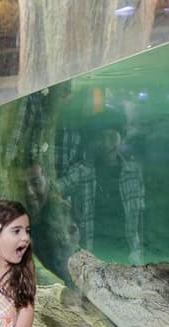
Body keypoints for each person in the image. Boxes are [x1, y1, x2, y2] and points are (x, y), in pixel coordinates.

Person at [58, 107, 145, 264]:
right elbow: (57, 189)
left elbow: (140, 218)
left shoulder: (134, 172)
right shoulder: (82, 172)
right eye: (101, 137)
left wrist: (140, 253)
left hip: (127, 254)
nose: (106, 143)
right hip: (93, 254)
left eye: (112, 137)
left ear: (121, 138)